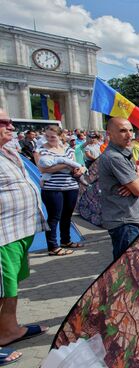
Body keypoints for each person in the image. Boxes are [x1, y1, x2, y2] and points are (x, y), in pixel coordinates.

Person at [0, 111, 49, 363]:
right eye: (3, 122)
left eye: (10, 121)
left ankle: (9, 330)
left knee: (9, 287)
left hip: (16, 232)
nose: (11, 125)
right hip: (1, 236)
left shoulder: (6, 151)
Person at [98, 118, 139, 260]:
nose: (129, 135)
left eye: (131, 130)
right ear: (109, 133)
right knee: (127, 267)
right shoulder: (115, 157)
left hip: (129, 219)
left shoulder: (124, 154)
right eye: (122, 131)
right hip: (124, 221)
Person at [34, 126, 85, 256]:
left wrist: (76, 168)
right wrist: (68, 164)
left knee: (67, 216)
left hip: (71, 186)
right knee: (54, 217)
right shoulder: (40, 150)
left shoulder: (68, 149)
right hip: (52, 188)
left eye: (53, 136)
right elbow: (43, 169)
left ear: (60, 136)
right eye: (47, 136)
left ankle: (66, 241)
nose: (49, 139)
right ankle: (52, 246)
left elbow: (76, 166)